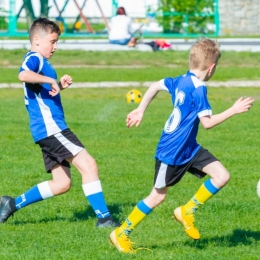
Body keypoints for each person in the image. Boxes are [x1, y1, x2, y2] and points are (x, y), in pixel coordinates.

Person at [109, 38, 254, 253]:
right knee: (157, 196)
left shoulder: (180, 80)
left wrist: (141, 109)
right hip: (171, 152)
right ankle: (121, 233)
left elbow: (154, 86)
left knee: (222, 175)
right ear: (212, 67)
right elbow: (208, 123)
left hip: (189, 148)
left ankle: (187, 210)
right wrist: (233, 109)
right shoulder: (199, 89)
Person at [0, 17, 118, 228]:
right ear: (37, 40)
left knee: (62, 183)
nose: (55, 47)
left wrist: (58, 86)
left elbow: (41, 93)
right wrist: (50, 79)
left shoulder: (44, 63)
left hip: (44, 130)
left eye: (56, 42)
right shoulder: (34, 57)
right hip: (51, 128)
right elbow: (23, 74)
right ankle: (105, 218)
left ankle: (11, 204)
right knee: (89, 165)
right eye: (52, 41)